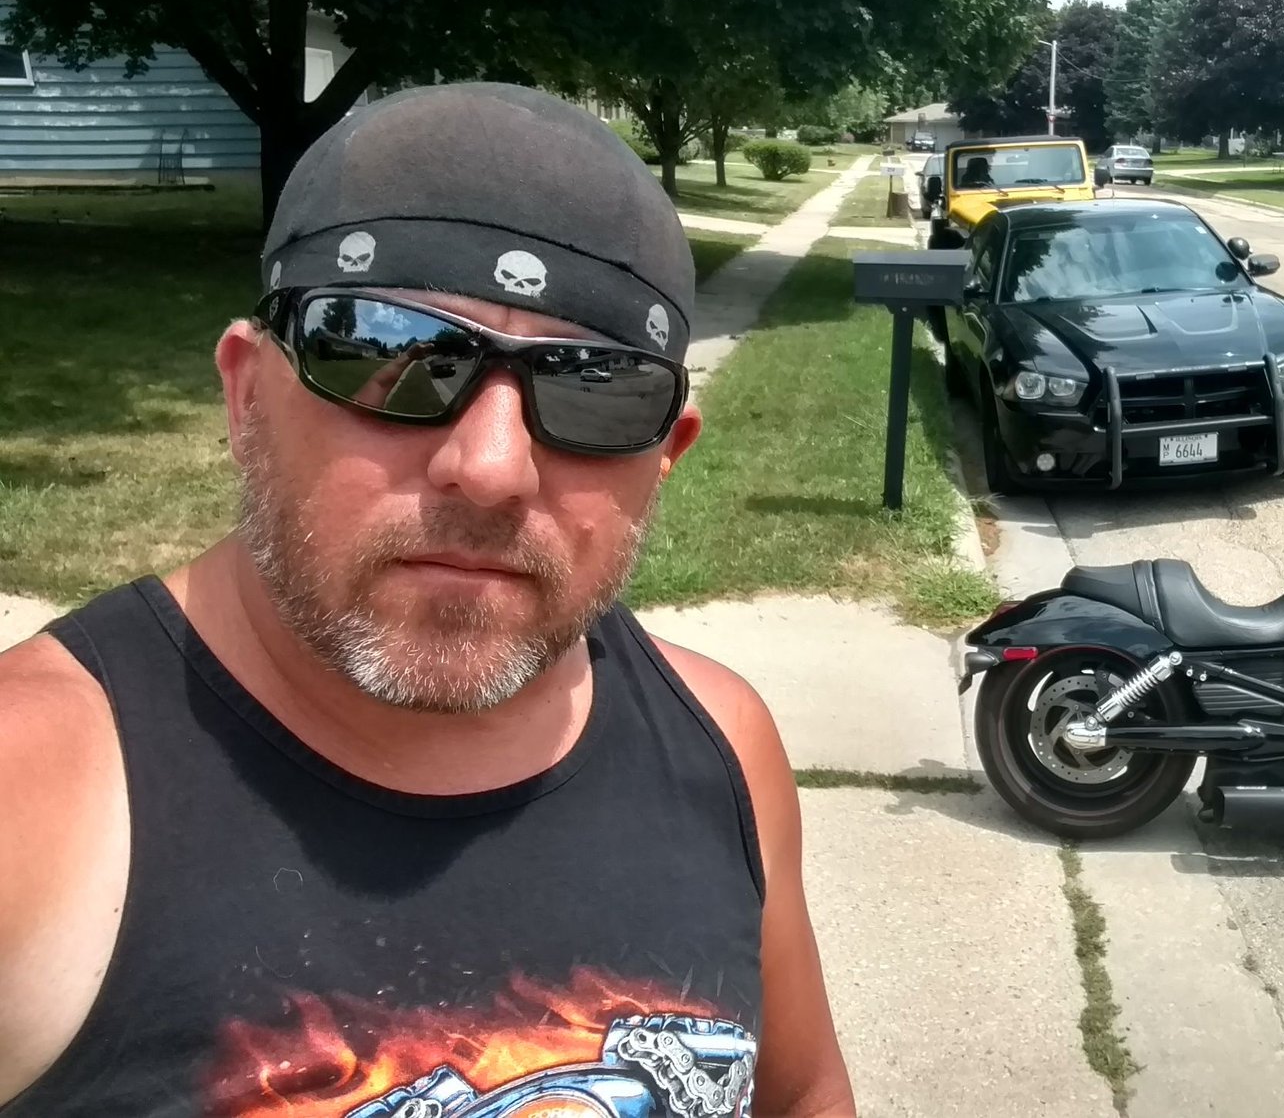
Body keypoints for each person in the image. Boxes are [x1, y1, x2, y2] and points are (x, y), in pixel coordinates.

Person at [0, 83, 855, 1118]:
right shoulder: (33, 790)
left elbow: (802, 1092)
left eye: (595, 387)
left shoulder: (722, 745)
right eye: (393, 351)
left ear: (664, 455)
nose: (491, 468)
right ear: (246, 395)